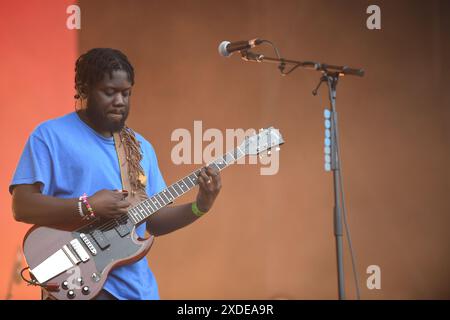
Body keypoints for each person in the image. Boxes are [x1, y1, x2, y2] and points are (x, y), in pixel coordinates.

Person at [9, 48, 221, 300]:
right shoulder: (49, 136)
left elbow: (152, 221)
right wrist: (87, 206)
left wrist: (200, 206)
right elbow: (22, 206)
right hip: (82, 283)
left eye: (126, 93)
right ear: (84, 89)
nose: (120, 101)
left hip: (140, 291)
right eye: (109, 92)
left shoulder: (140, 148)